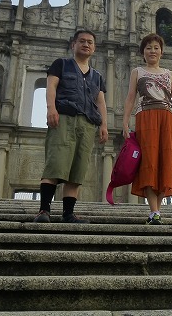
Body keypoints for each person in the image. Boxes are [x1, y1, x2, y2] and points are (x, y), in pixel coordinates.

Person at [122, 33, 172, 224]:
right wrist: (125, 121)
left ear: (161, 52)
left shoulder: (169, 74)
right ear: (143, 52)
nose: (152, 51)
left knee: (165, 163)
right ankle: (154, 211)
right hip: (146, 117)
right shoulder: (137, 72)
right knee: (149, 161)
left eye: (156, 47)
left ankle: (156, 211)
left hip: (167, 118)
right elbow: (130, 97)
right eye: (148, 47)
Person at [33, 29, 109, 223]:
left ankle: (68, 214)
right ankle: (44, 211)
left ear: (94, 48)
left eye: (90, 42)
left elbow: (100, 102)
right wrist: (51, 108)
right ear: (73, 44)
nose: (86, 44)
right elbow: (51, 86)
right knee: (55, 164)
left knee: (77, 171)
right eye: (82, 41)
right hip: (64, 119)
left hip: (87, 124)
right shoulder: (61, 64)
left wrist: (104, 125)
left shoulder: (97, 76)